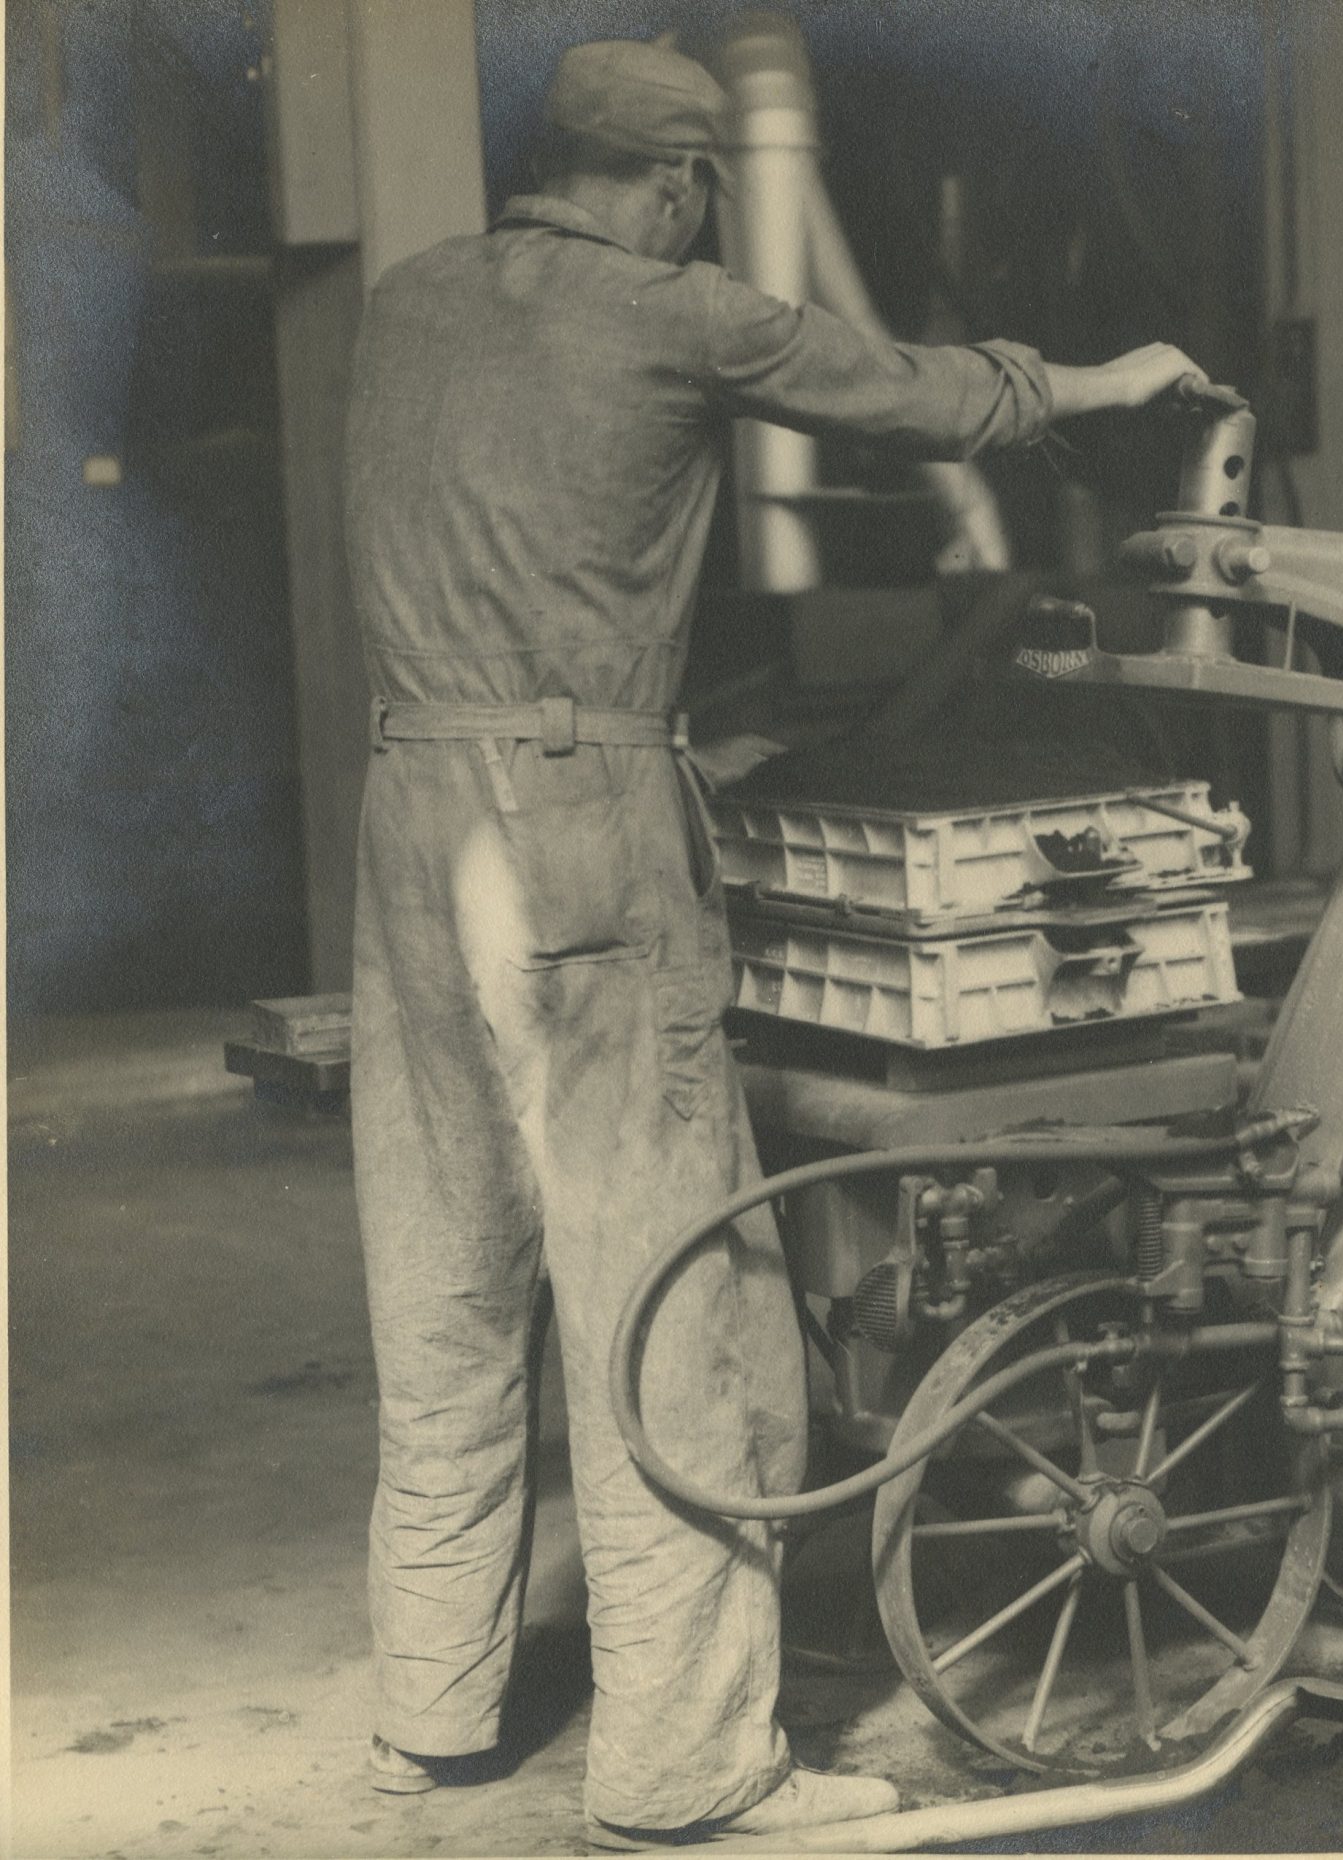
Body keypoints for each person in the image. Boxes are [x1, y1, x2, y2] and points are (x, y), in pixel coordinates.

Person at [342, 36, 1209, 1849]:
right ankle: (689, 1768)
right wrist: (1110, 377)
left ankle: (431, 1704)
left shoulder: (404, 304)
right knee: (678, 1304)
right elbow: (911, 394)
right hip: (577, 830)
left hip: (411, 817)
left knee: (448, 1275)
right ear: (675, 187)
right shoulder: (677, 313)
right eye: (699, 197)